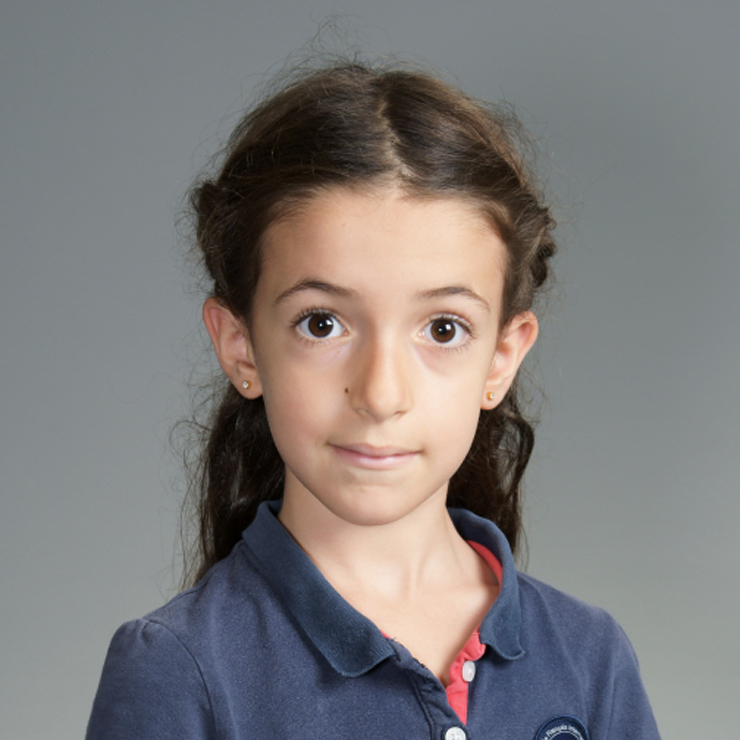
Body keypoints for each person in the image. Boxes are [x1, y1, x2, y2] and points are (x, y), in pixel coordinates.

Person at [86, 61, 661, 740]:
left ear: (502, 357)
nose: (382, 394)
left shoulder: (591, 660)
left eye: (442, 329)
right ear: (241, 348)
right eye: (321, 323)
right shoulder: (176, 670)